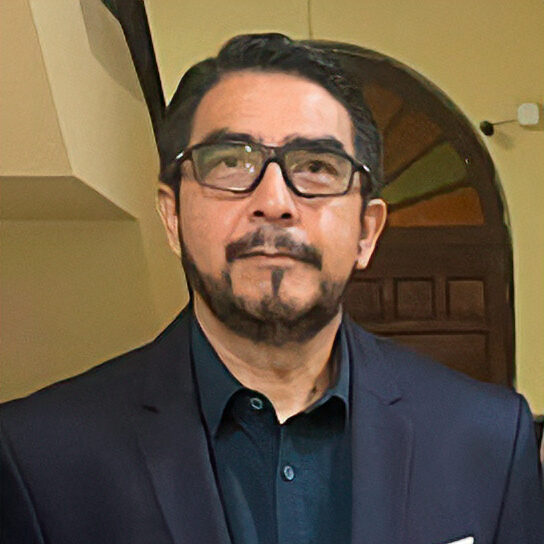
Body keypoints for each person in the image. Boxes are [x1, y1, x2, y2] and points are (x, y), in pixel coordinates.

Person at [1, 33, 543, 544]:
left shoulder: (490, 440)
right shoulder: (38, 458)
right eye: (231, 162)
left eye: (317, 166)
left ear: (366, 231)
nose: (275, 201)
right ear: (173, 216)